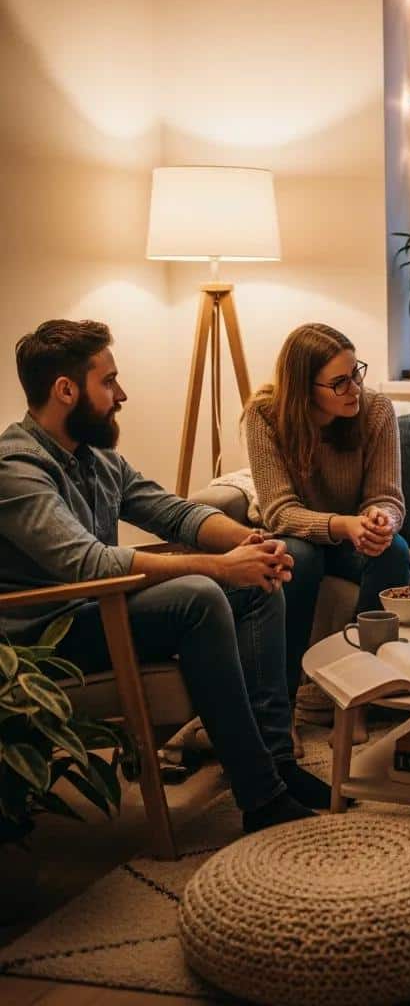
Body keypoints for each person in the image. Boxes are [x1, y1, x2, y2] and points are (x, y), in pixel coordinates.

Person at [0, 320, 332, 833]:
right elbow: (86, 564)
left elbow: (178, 515)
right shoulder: (16, 470)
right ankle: (262, 797)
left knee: (258, 580)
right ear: (66, 390)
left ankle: (276, 763)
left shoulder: (97, 459)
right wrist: (219, 567)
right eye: (108, 381)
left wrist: (247, 545)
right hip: (46, 642)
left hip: (97, 611)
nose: (121, 394)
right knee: (198, 595)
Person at [243, 323, 410, 697]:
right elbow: (279, 510)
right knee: (295, 557)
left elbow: (387, 495)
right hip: (299, 534)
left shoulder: (377, 411)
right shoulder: (265, 416)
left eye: (356, 374)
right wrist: (341, 525)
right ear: (304, 387)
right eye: (339, 382)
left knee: (393, 550)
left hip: (354, 535)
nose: (354, 388)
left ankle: (363, 690)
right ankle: (280, 705)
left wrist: (380, 519)